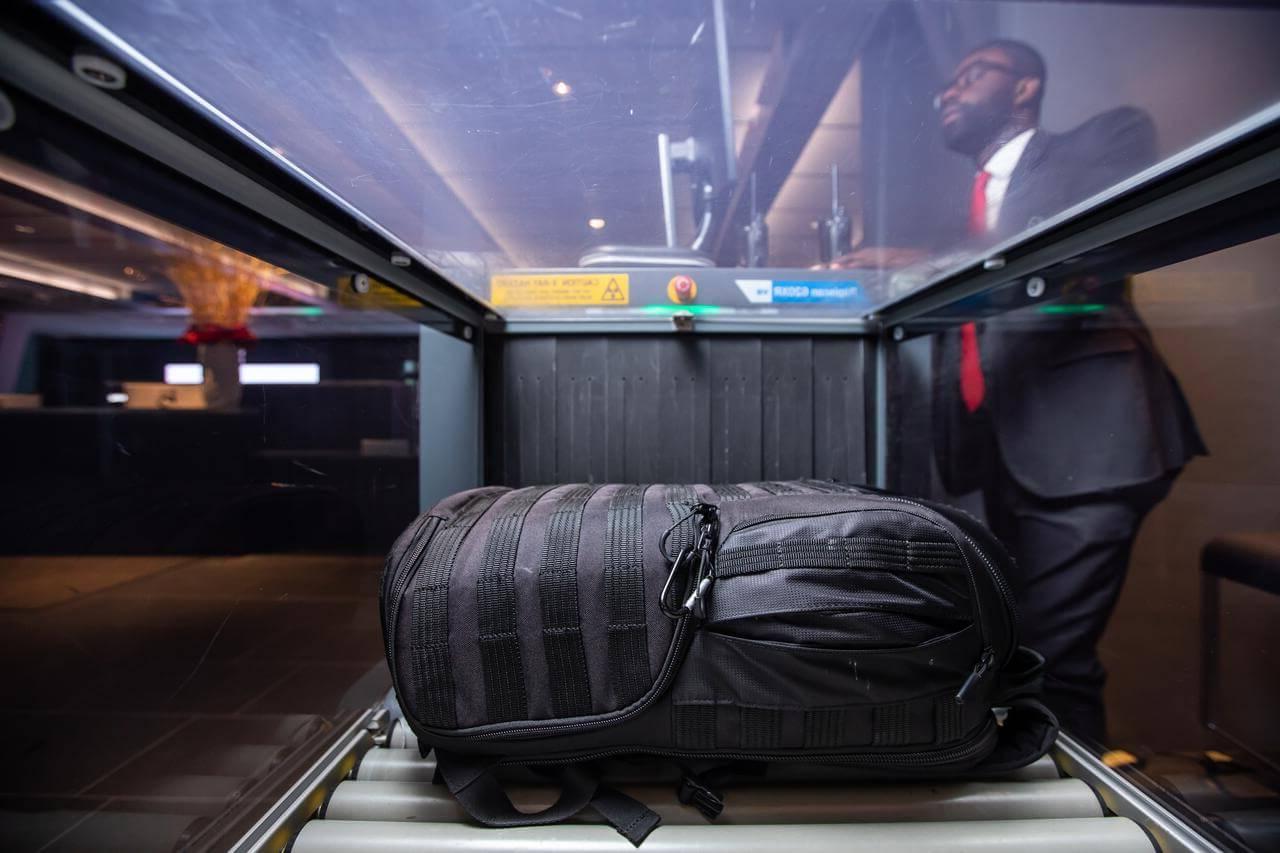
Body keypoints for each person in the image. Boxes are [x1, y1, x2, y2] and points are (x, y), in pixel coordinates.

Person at [839, 40, 1206, 741]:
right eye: (945, 84)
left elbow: (1085, 245)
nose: (949, 92)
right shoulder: (965, 213)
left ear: (1024, 88)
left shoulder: (1104, 140)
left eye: (972, 76)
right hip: (993, 455)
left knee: (1052, 657)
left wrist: (926, 264)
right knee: (1021, 654)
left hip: (1093, 440)